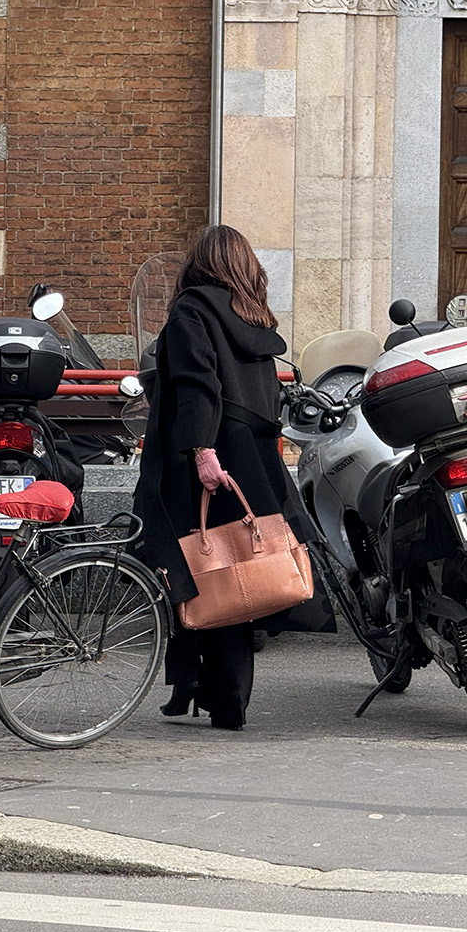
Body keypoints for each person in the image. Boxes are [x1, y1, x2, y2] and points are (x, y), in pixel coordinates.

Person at [133, 225, 314, 731]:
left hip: (204, 457)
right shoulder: (254, 319)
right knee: (237, 571)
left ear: (201, 263)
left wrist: (201, 451)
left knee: (198, 567)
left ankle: (211, 692)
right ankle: (209, 690)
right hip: (254, 457)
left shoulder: (192, 310)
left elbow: (198, 384)